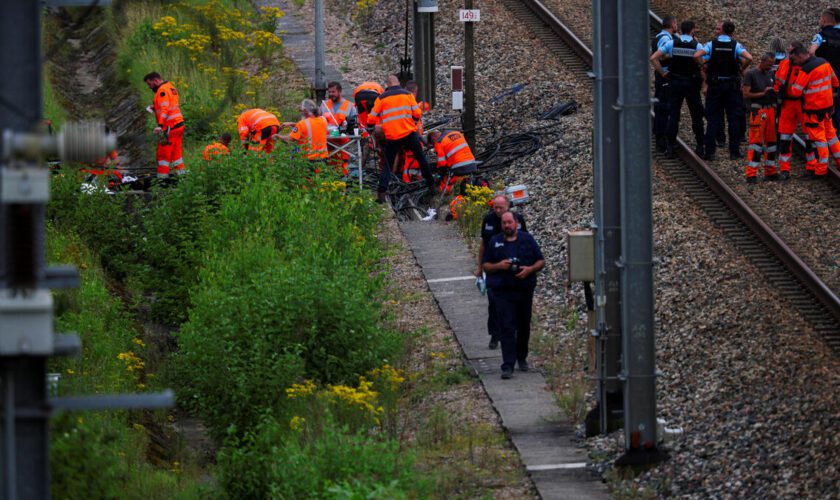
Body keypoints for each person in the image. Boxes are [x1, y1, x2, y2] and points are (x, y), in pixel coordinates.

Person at [482, 211, 544, 379]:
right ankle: (507, 365)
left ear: (516, 223)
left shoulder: (527, 239)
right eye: (504, 223)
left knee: (523, 326)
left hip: (524, 290)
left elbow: (541, 261)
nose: (507, 226)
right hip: (503, 292)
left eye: (510, 222)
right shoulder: (495, 241)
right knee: (507, 327)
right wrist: (500, 266)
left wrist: (529, 270)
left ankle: (521, 357)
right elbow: (486, 265)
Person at [367, 74, 436, 203]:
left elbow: (371, 118)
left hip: (393, 137)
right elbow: (417, 113)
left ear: (387, 85)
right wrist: (413, 121)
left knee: (387, 165)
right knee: (421, 159)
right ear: (398, 82)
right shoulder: (407, 94)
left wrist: (370, 127)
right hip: (409, 133)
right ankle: (432, 186)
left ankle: (381, 195)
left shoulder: (381, 98)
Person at [695, 21, 752, 161]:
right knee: (733, 118)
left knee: (713, 118)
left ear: (721, 31)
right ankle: (734, 151)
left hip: (715, 85)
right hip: (732, 86)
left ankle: (710, 152)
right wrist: (741, 69)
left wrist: (704, 66)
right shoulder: (735, 45)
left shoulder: (711, 44)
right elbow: (749, 58)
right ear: (732, 32)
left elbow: (696, 55)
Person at [476, 195, 527, 350]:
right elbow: (483, 245)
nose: (497, 211)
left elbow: (525, 242)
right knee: (493, 302)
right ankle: (495, 334)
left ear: (508, 206)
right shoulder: (488, 220)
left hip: (513, 266)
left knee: (515, 303)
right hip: (494, 267)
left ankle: (515, 333)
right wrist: (480, 267)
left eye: (501, 207)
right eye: (495, 207)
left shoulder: (517, 220)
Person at [651, 20, 704, 157]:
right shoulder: (696, 45)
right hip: (691, 84)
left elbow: (654, 58)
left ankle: (670, 147)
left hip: (675, 82)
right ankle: (700, 146)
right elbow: (702, 64)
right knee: (696, 115)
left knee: (673, 115)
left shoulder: (671, 43)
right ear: (692, 30)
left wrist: (663, 73)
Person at [788, 42, 840, 178]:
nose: (794, 63)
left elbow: (795, 92)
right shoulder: (824, 63)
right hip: (828, 108)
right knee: (831, 136)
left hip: (814, 110)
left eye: (794, 59)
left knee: (819, 139)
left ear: (800, 56)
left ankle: (820, 170)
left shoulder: (806, 70)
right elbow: (835, 83)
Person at [774, 43, 813, 178]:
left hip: (803, 103)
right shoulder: (785, 64)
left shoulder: (807, 66)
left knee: (809, 136)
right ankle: (785, 169)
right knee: (785, 136)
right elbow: (778, 83)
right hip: (787, 104)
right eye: (789, 52)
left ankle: (811, 167)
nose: (790, 55)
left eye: (792, 52)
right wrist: (777, 96)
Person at [742, 53, 779, 183]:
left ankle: (771, 171)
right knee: (756, 143)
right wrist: (762, 93)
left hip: (770, 110)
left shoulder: (770, 73)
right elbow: (746, 94)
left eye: (771, 64)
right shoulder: (751, 74)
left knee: (771, 143)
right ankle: (751, 174)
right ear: (762, 61)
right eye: (768, 64)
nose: (770, 67)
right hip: (758, 110)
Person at [144, 72, 185, 178]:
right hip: (179, 125)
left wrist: (161, 126)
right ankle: (182, 178)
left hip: (169, 127)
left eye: (150, 84)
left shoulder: (161, 91)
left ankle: (162, 182)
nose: (149, 87)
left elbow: (165, 108)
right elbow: (169, 104)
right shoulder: (170, 87)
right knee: (176, 155)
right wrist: (154, 107)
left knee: (163, 156)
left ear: (156, 81)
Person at [809, 9, 840, 129]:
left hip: (826, 76)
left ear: (824, 20)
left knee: (826, 103)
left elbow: (811, 52)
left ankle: (828, 130)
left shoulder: (820, 36)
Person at [652, 15, 677, 153]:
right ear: (672, 24)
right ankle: (662, 141)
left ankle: (659, 134)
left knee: (660, 107)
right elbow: (660, 56)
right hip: (665, 78)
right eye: (676, 23)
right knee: (664, 108)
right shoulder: (666, 38)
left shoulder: (658, 36)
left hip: (662, 78)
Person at [323, 81, 358, 175]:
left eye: (333, 92)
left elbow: (354, 123)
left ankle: (343, 184)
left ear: (340, 91)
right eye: (329, 92)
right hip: (327, 142)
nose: (331, 94)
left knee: (342, 166)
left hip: (342, 143)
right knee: (327, 167)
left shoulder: (350, 106)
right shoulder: (324, 105)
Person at [427, 129, 477, 193]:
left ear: (433, 139)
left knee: (444, 184)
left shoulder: (439, 142)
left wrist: (441, 173)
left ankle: (441, 195)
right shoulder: (457, 133)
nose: (434, 145)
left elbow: (442, 164)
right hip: (472, 164)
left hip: (459, 168)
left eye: (433, 143)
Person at [278, 99, 328, 163]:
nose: (301, 113)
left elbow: (289, 140)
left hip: (308, 160)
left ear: (305, 110)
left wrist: (277, 136)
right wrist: (291, 124)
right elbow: (311, 126)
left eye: (300, 111)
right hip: (323, 158)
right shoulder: (323, 120)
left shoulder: (302, 124)